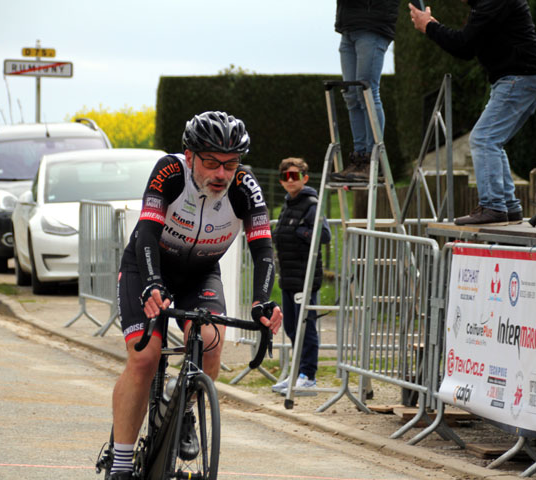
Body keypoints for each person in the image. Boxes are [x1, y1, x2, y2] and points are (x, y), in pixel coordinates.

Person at [107, 111, 283, 480]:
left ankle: (182, 405)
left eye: (230, 164)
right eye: (211, 163)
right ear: (190, 157)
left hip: (200, 273)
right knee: (145, 356)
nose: (222, 174)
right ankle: (120, 465)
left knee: (210, 342)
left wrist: (262, 301)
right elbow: (146, 233)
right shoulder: (169, 172)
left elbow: (263, 249)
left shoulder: (245, 186)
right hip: (148, 265)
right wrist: (153, 283)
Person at [410, 0, 536, 226]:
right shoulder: (486, 5)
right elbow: (467, 43)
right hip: (520, 77)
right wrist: (432, 25)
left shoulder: (491, 3)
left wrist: (429, 27)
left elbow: (464, 46)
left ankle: (494, 207)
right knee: (493, 140)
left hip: (519, 77)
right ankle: (509, 206)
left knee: (484, 139)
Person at [272, 157, 332, 394]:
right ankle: (297, 371)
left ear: (304, 178)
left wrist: (300, 232)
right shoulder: (287, 204)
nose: (290, 180)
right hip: (288, 276)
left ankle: (308, 374)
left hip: (306, 277)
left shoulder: (311, 204)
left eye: (294, 175)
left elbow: (324, 235)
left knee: (306, 327)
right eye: (286, 176)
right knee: (291, 326)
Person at [330, 0, 399, 182]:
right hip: (348, 27)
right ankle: (359, 158)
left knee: (367, 93)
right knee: (351, 96)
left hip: (372, 26)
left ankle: (372, 159)